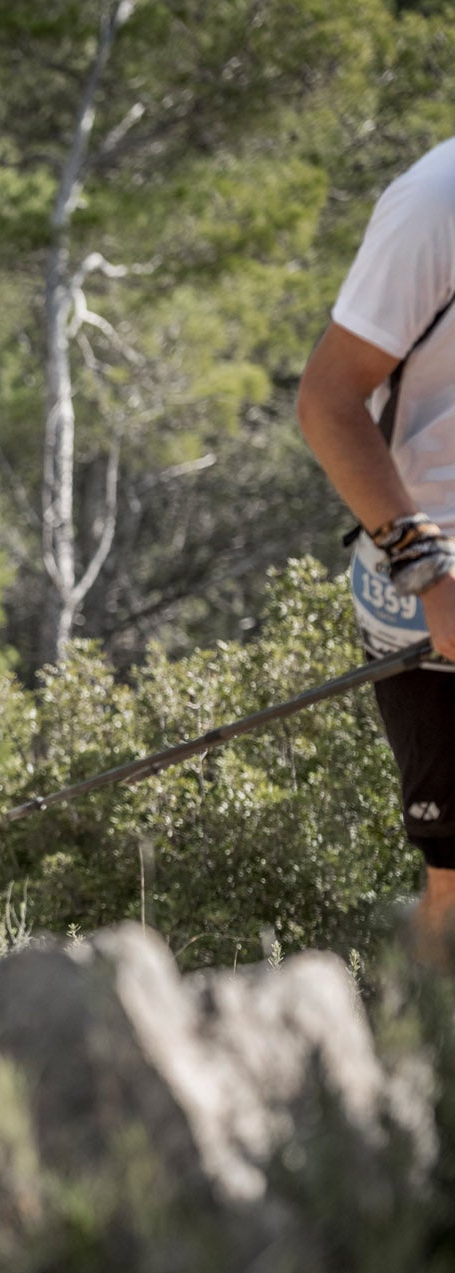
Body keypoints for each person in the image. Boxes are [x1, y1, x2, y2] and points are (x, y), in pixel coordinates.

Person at [298, 136, 455, 967]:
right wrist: (432, 576)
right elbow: (328, 400)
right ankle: (425, 1070)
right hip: (424, 581)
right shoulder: (437, 203)